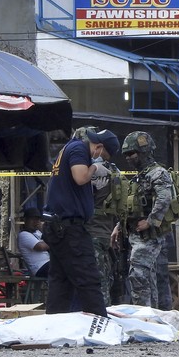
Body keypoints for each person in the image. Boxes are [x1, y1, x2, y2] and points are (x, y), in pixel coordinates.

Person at [42, 128, 120, 316]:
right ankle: (100, 322)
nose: (101, 159)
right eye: (104, 155)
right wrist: (95, 168)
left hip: (58, 226)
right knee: (88, 276)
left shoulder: (69, 149)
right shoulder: (78, 149)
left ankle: (55, 323)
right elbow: (80, 177)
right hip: (70, 228)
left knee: (61, 281)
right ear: (99, 147)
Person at [112, 131, 173, 309]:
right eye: (126, 155)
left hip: (149, 236)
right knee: (147, 277)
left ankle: (143, 316)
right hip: (136, 235)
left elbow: (164, 198)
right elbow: (131, 206)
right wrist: (118, 227)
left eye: (132, 153)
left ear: (145, 151)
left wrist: (151, 221)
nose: (129, 158)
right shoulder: (140, 176)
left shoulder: (157, 173)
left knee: (138, 276)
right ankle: (151, 315)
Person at [74, 126, 125, 307]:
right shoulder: (115, 171)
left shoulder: (95, 171)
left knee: (96, 279)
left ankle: (100, 317)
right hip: (106, 231)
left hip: (92, 232)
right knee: (107, 277)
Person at [17, 207, 50, 278]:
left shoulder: (38, 232)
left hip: (48, 263)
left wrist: (42, 230)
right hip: (39, 267)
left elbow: (48, 241)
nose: (36, 222)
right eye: (32, 219)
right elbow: (41, 247)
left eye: (37, 220)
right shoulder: (23, 234)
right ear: (25, 220)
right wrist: (54, 242)